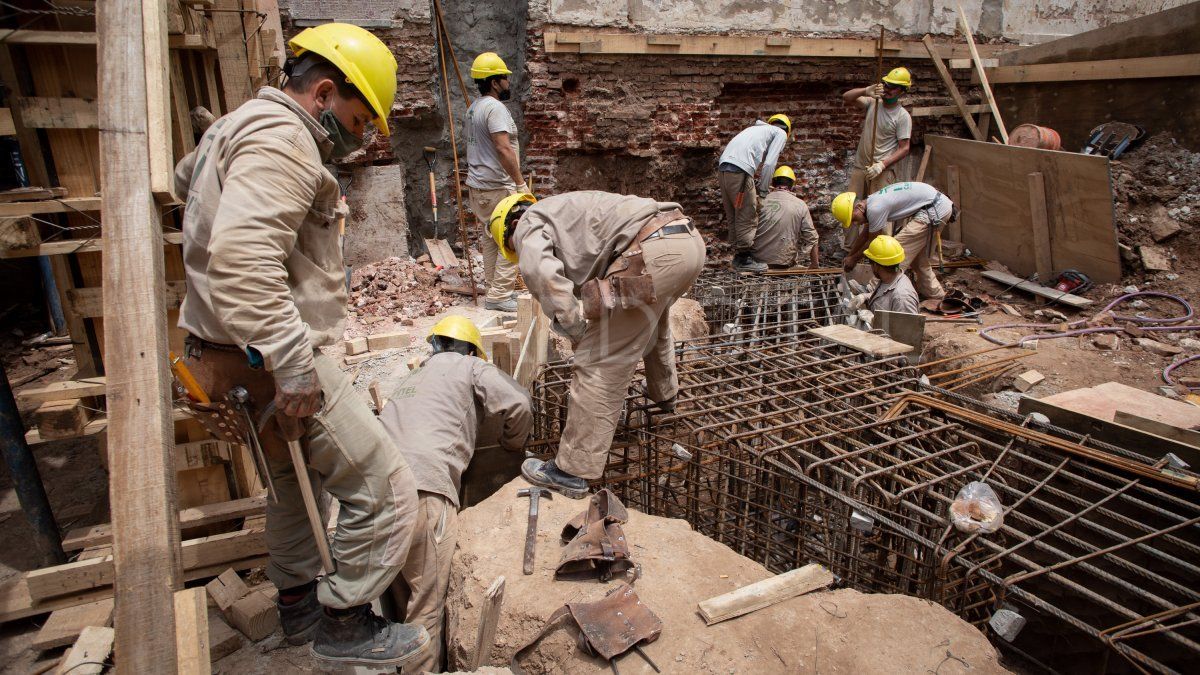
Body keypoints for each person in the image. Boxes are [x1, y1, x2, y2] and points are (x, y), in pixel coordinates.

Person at [173, 23, 428, 668]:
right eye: (360, 118)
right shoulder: (286, 141)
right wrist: (293, 366)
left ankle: (297, 610)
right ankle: (346, 625)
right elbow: (242, 260)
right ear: (322, 91)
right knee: (383, 483)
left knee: (297, 486)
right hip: (267, 355)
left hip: (223, 351)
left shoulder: (237, 127)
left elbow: (184, 185)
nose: (363, 137)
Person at [489, 191, 706, 498]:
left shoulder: (528, 222)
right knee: (652, 323)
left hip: (651, 253)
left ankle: (572, 471)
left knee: (597, 360)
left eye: (512, 248)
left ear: (510, 226)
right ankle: (665, 395)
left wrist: (577, 331)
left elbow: (543, 276)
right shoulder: (562, 211)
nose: (518, 250)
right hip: (687, 241)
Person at [380, 316, 532, 673]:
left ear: (435, 346)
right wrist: (512, 445)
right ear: (471, 350)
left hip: (373, 498)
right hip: (425, 490)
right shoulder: (471, 367)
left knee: (401, 598)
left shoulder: (409, 379)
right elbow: (520, 404)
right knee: (427, 607)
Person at [465, 52, 528, 312]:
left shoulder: (473, 108)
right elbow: (503, 149)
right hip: (496, 186)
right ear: (494, 82)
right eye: (504, 78)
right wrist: (520, 183)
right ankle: (500, 294)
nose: (508, 82)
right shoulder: (495, 108)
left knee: (492, 239)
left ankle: (494, 291)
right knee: (513, 237)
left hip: (478, 187)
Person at [834, 181, 952, 300]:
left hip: (935, 209)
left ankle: (872, 290)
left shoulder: (875, 208)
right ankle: (936, 295)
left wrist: (854, 259)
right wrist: (850, 256)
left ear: (858, 206)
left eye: (854, 219)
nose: (856, 223)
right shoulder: (870, 203)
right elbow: (864, 236)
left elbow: (871, 241)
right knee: (918, 260)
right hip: (935, 206)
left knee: (894, 250)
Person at [841, 67, 913, 249]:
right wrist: (866, 90)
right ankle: (848, 248)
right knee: (850, 206)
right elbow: (847, 97)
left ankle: (881, 250)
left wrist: (882, 164)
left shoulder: (902, 116)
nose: (888, 89)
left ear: (902, 91)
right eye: (887, 84)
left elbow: (904, 148)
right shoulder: (874, 102)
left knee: (881, 212)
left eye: (894, 87)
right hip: (861, 166)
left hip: (881, 170)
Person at [717, 114, 791, 272]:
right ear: (787, 130)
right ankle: (744, 258)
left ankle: (738, 255)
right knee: (747, 214)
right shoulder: (780, 133)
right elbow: (770, 164)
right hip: (740, 172)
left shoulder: (754, 130)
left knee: (734, 213)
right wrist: (763, 192)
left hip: (724, 170)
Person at [753, 166, 819, 269]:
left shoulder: (759, 201)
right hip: (783, 263)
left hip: (756, 263)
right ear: (792, 185)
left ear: (773, 183)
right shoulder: (800, 205)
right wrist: (815, 265)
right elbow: (812, 238)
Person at [860, 235, 919, 313]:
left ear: (876, 266)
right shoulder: (887, 280)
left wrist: (873, 320)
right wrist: (865, 297)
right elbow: (885, 298)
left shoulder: (902, 298)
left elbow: (907, 325)